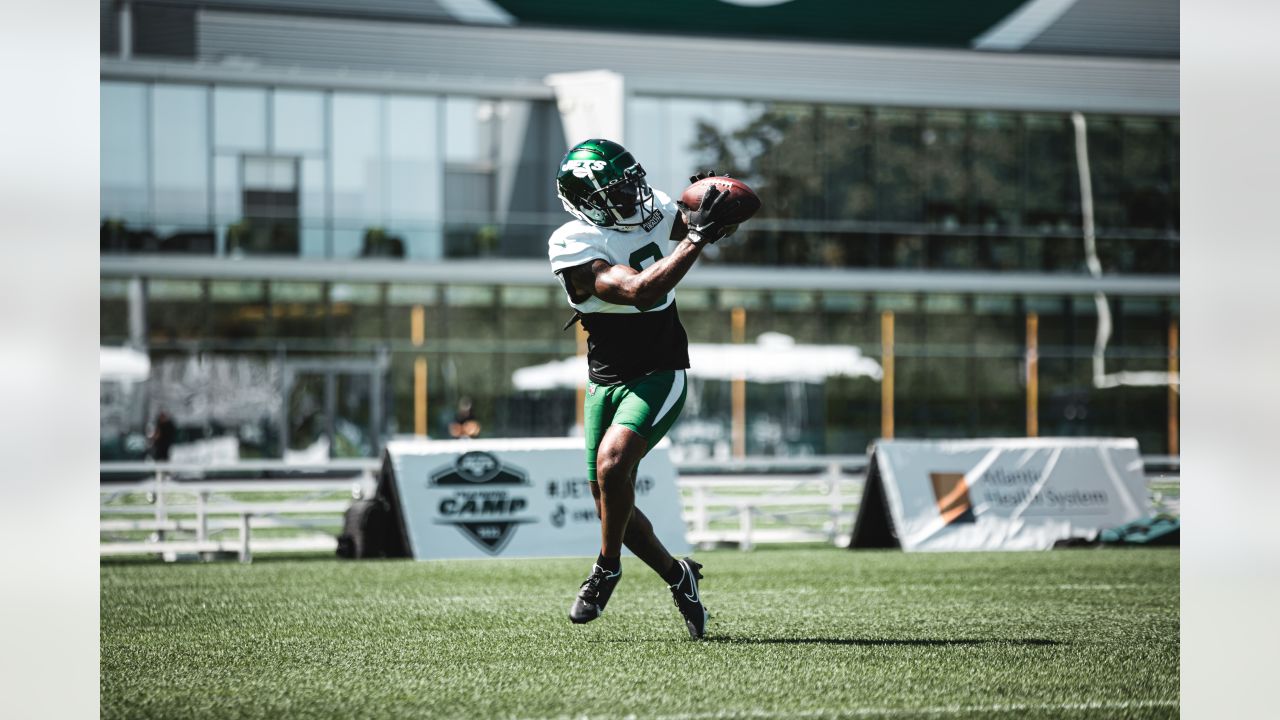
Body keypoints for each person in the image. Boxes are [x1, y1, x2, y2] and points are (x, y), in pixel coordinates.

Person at [547, 138, 739, 639]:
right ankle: (680, 577)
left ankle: (605, 568)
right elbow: (638, 291)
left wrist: (715, 204)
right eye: (616, 190)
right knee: (611, 500)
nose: (633, 196)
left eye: (631, 181)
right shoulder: (572, 242)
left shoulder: (648, 205)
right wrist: (697, 240)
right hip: (605, 377)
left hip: (660, 367)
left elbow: (714, 219)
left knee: (613, 466)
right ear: (586, 201)